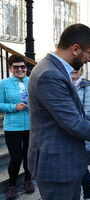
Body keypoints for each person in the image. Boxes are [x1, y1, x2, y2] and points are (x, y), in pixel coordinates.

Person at [27, 23, 90, 200]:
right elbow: (72, 122)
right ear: (76, 49)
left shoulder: (54, 69)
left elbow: (67, 111)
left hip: (63, 163)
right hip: (58, 166)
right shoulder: (50, 74)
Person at [0, 55, 35, 200]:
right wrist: (14, 107)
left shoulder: (32, 81)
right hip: (12, 126)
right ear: (10, 68)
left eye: (22, 67)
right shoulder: (4, 84)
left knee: (29, 156)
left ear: (26, 68)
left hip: (31, 125)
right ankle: (12, 185)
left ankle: (28, 180)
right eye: (16, 67)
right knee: (15, 157)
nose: (20, 69)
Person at [71, 69, 90, 200]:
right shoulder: (64, 83)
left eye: (77, 68)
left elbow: (87, 112)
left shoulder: (86, 85)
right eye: (72, 68)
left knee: (82, 168)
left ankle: (88, 196)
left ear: (81, 70)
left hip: (81, 132)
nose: (74, 71)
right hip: (66, 133)